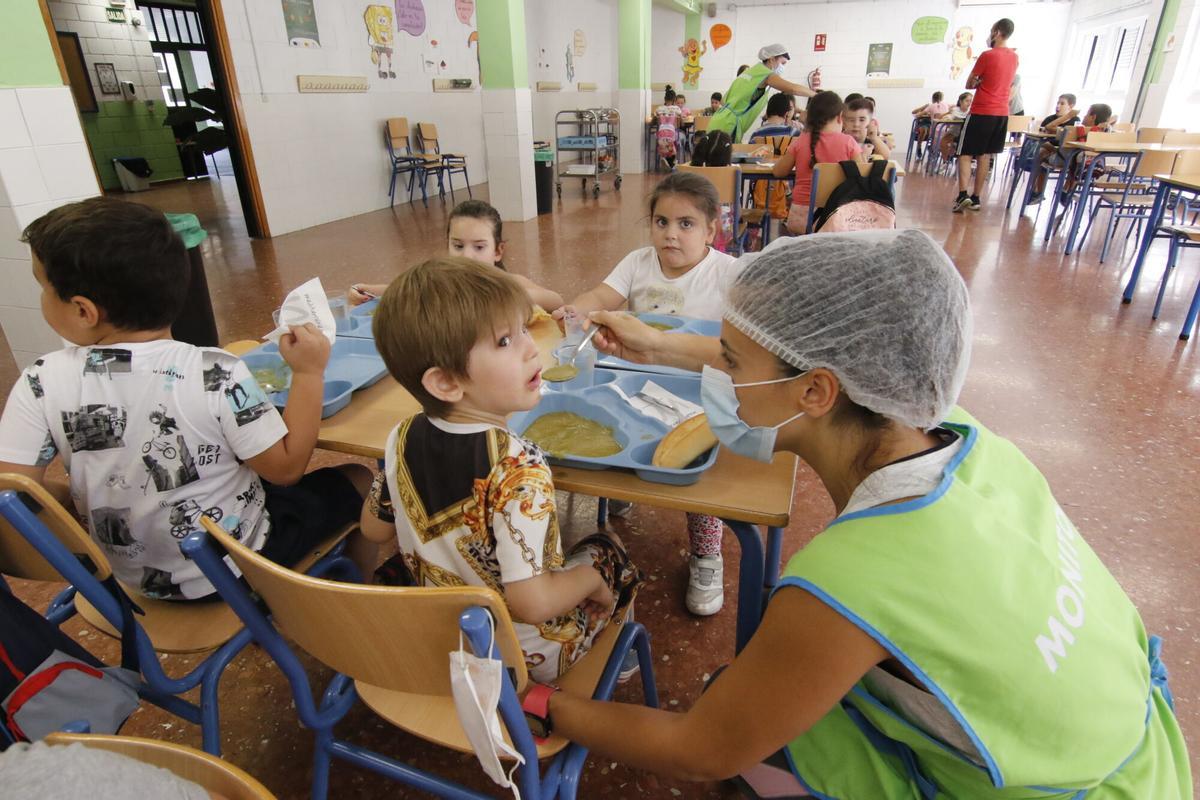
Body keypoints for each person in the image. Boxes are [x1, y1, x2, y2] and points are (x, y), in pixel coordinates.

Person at [522, 230, 1192, 799]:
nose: (718, 379)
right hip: (1145, 748)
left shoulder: (847, 583)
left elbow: (700, 750)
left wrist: (548, 706)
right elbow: (782, 359)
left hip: (1060, 788)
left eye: (728, 362)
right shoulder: (965, 438)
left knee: (739, 714)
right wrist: (661, 345)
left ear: (816, 390)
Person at [0, 198, 373, 600]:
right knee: (361, 479)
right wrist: (308, 373)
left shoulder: (41, 379)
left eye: (42, 287)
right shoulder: (215, 372)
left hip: (126, 580)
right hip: (236, 567)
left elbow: (14, 493)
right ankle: (350, 612)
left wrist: (86, 493)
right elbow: (284, 469)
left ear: (84, 310)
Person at [357, 257, 641, 682]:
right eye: (505, 341)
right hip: (520, 658)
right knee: (608, 551)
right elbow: (532, 604)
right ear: (447, 383)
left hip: (443, 636)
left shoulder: (399, 435)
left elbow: (374, 530)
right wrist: (590, 582)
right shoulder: (518, 465)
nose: (531, 347)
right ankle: (616, 658)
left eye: (524, 328)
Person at [554, 172, 742, 615]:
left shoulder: (729, 273)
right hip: (633, 383)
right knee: (610, 435)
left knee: (695, 476)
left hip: (698, 391)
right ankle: (620, 490)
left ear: (712, 229)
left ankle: (706, 552)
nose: (670, 234)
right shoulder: (638, 262)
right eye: (661, 222)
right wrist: (579, 309)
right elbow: (601, 294)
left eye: (686, 224)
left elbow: (745, 346)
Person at [349, 199, 563, 311]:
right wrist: (362, 290)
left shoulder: (509, 283)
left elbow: (556, 300)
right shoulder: (443, 284)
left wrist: (509, 295)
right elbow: (399, 290)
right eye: (458, 246)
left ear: (498, 251)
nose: (466, 256)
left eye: (479, 247)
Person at [772, 91, 864, 234]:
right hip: (835, 219)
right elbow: (862, 176)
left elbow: (778, 171)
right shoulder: (849, 143)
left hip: (801, 219)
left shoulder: (801, 141)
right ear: (840, 117)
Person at [953, 18, 1019, 213]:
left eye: (992, 31)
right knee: (985, 155)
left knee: (965, 153)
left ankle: (962, 194)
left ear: (997, 32)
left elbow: (969, 84)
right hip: (1001, 114)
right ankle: (976, 198)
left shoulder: (987, 55)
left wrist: (980, 81)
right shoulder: (1014, 57)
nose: (990, 35)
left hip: (982, 110)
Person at [709, 44, 817, 143]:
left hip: (718, 120)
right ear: (771, 59)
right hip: (728, 127)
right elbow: (793, 89)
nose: (783, 67)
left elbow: (723, 101)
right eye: (782, 63)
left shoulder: (750, 73)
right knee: (722, 162)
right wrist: (816, 95)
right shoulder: (765, 74)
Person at [1029, 102, 1110, 203]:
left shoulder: (1075, 130)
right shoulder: (1105, 132)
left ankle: (1038, 192)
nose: (1084, 116)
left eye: (1086, 114)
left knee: (1043, 156)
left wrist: (1068, 115)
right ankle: (1067, 191)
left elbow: (1049, 127)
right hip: (1084, 164)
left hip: (1062, 160)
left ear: (1093, 117)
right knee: (1073, 161)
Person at [655, 85, 684, 170]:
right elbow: (681, 122)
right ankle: (671, 163)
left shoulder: (659, 109)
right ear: (674, 100)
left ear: (665, 99)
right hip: (671, 133)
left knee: (665, 145)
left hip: (660, 133)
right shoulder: (677, 109)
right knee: (672, 145)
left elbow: (655, 117)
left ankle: (664, 158)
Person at [939, 91, 973, 161]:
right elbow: (946, 117)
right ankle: (945, 161)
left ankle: (966, 160)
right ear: (961, 101)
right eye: (967, 101)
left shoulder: (971, 111)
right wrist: (948, 116)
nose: (969, 103)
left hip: (967, 134)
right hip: (954, 132)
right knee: (943, 142)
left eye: (970, 101)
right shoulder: (955, 110)